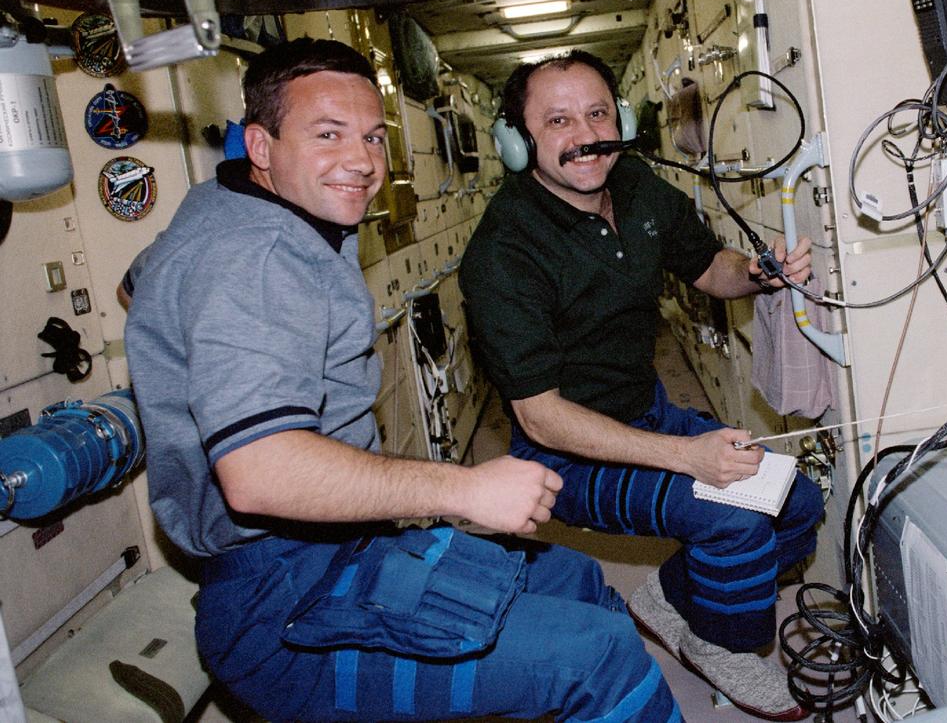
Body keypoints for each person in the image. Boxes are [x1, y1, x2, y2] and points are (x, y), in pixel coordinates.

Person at [124, 38, 681, 722]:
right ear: (261, 146)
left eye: (371, 136)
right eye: (327, 134)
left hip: (342, 548)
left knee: (577, 578)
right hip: (285, 610)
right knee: (596, 657)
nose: (361, 161)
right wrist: (464, 487)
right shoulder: (254, 256)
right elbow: (258, 472)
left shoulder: (229, 203)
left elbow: (141, 286)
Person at [460, 50, 824, 722]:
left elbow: (709, 268)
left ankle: (669, 597)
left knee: (797, 502)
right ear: (517, 142)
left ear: (621, 118)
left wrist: (757, 271)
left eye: (598, 112)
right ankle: (724, 644)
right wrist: (689, 456)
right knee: (734, 514)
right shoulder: (503, 251)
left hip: (646, 411)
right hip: (567, 455)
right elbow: (542, 419)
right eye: (559, 120)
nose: (585, 134)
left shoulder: (637, 185)